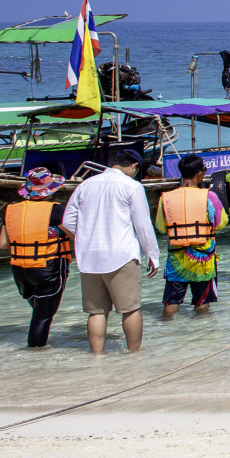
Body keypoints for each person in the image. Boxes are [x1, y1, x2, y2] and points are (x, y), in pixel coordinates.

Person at [61, 148, 162, 354]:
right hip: (121, 256)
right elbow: (142, 225)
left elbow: (67, 222)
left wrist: (84, 241)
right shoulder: (131, 186)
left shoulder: (85, 185)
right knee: (130, 309)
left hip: (89, 258)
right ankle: (134, 355)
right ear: (134, 166)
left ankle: (96, 358)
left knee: (96, 312)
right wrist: (152, 254)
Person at [0, 169, 73, 348]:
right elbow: (75, 235)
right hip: (47, 268)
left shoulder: (11, 210)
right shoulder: (55, 210)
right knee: (43, 316)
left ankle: (37, 350)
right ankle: (36, 358)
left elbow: (2, 244)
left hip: (20, 271)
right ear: (51, 190)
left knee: (39, 313)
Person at [155, 155, 226, 318]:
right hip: (203, 260)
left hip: (176, 259)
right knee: (202, 302)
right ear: (199, 174)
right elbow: (221, 223)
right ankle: (201, 335)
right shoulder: (209, 197)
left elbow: (161, 228)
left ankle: (167, 332)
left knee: (171, 302)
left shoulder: (165, 198)